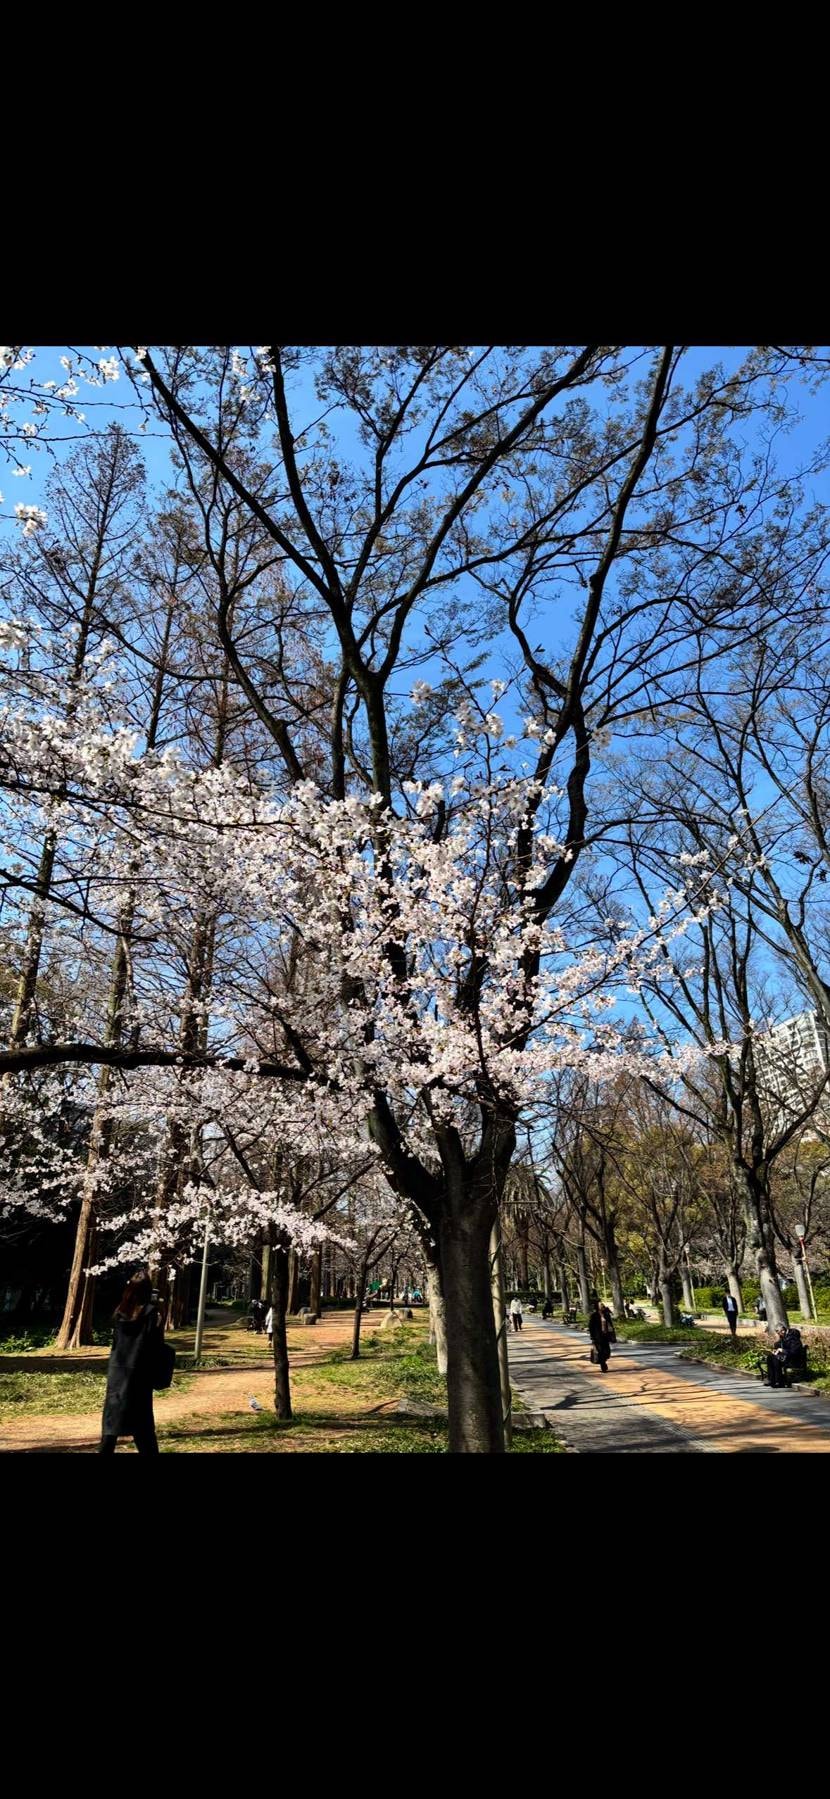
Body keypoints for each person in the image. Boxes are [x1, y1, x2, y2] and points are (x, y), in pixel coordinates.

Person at [99, 1270, 163, 1455]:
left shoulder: (120, 1312)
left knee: (110, 1428)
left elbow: (116, 1344)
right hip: (140, 1375)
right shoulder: (152, 1314)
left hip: (118, 1373)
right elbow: (156, 1347)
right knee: (143, 1429)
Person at [766, 1324, 804, 1388]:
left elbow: (794, 1352)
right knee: (770, 1357)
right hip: (786, 1357)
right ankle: (772, 1380)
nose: (778, 1335)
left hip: (794, 1359)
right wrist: (775, 1350)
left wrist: (782, 1350)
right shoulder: (784, 1337)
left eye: (778, 1333)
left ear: (783, 1331)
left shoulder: (793, 1338)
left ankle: (779, 1381)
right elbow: (778, 1344)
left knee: (775, 1359)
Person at [588, 1295, 614, 1373]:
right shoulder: (594, 1316)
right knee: (600, 1351)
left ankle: (604, 1360)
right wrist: (592, 1337)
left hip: (605, 1336)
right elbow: (591, 1327)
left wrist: (612, 1334)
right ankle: (603, 1364)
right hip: (598, 1336)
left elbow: (610, 1325)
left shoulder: (606, 1314)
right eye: (601, 1305)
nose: (602, 1306)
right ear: (597, 1307)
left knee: (607, 1351)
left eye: (603, 1305)